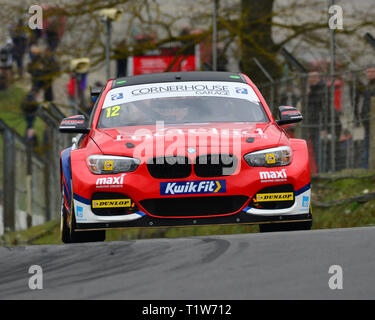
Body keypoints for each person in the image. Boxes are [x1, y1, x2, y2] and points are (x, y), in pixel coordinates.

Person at [360, 66, 375, 169]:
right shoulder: (368, 86)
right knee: (367, 143)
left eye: (372, 71)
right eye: (368, 72)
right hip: (367, 120)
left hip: (372, 119)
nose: (369, 74)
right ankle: (366, 166)